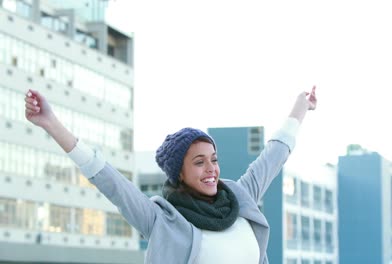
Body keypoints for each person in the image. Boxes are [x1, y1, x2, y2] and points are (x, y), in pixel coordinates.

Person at [24, 86, 317, 264]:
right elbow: (108, 179)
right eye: (199, 162)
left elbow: (274, 156)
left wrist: (301, 106)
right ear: (180, 173)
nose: (211, 170)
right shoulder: (162, 220)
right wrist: (51, 123)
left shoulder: (240, 197)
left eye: (213, 160)